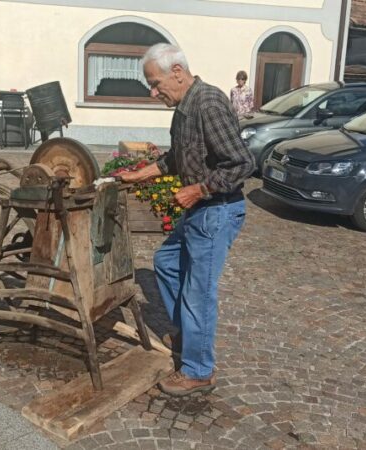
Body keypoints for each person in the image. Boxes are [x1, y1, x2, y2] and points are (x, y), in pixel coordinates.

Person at [121, 43, 254, 396]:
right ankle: (187, 335)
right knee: (166, 261)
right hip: (201, 211)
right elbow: (176, 158)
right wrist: (139, 174)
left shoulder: (208, 103)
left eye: (155, 83)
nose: (153, 93)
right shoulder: (184, 107)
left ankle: (198, 370)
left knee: (199, 293)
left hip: (217, 210)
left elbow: (243, 163)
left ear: (177, 72)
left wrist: (199, 189)